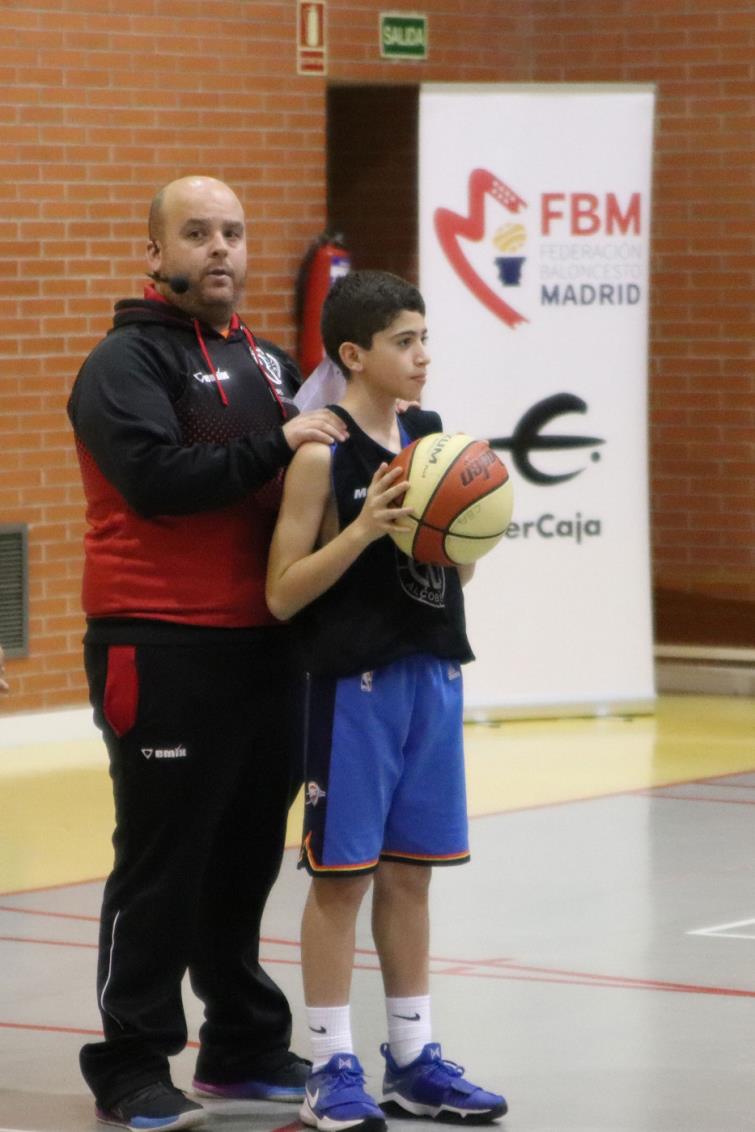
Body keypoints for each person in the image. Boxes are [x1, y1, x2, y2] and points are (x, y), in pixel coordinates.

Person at [67, 175, 349, 1132]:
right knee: (161, 859)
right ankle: (131, 1060)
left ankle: (241, 1042)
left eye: (232, 231)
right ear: (156, 254)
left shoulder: (271, 365)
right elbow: (154, 480)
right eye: (196, 234)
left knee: (239, 860)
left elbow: (310, 484)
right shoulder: (122, 362)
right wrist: (282, 447)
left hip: (266, 647)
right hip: (158, 641)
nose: (219, 249)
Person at [266, 270, 508, 1132]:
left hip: (433, 675)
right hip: (352, 689)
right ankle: (330, 1064)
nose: (421, 356)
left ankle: (412, 1059)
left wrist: (465, 532)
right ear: (353, 355)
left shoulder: (434, 438)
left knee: (411, 877)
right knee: (342, 880)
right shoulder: (320, 457)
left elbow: (451, 572)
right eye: (405, 341)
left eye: (424, 338)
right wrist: (365, 525)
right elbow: (282, 594)